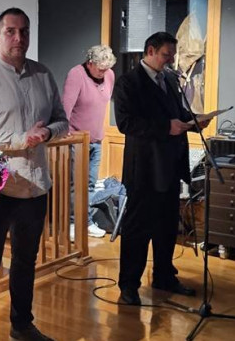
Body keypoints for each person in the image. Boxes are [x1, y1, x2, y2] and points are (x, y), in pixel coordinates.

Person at [0, 7, 68, 341]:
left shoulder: (43, 74)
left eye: (24, 31)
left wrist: (47, 133)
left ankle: (22, 325)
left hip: (36, 186)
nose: (18, 38)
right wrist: (19, 139)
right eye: (11, 31)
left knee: (25, 260)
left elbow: (62, 120)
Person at [113, 31, 209, 306]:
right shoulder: (128, 82)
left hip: (170, 165)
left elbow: (177, 113)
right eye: (166, 55)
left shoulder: (168, 79)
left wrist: (194, 120)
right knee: (137, 229)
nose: (170, 60)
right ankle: (129, 285)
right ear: (151, 51)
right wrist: (166, 127)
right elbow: (126, 123)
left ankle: (164, 277)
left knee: (167, 227)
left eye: (172, 55)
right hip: (144, 168)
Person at [62, 44, 117, 240]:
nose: (104, 73)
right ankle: (72, 223)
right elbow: (65, 108)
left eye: (107, 69)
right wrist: (65, 134)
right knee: (75, 184)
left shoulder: (109, 75)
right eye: (100, 69)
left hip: (97, 140)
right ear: (90, 63)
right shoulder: (76, 75)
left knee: (91, 184)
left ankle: (86, 221)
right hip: (77, 139)